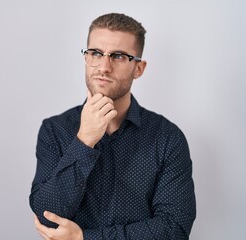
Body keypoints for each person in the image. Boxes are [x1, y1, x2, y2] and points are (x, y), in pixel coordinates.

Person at [29, 13, 196, 240]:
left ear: (139, 68)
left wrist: (85, 238)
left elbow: (174, 229)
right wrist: (84, 140)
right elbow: (47, 217)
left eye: (118, 56)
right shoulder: (54, 130)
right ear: (86, 57)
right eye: (96, 53)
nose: (104, 67)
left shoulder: (167, 138)